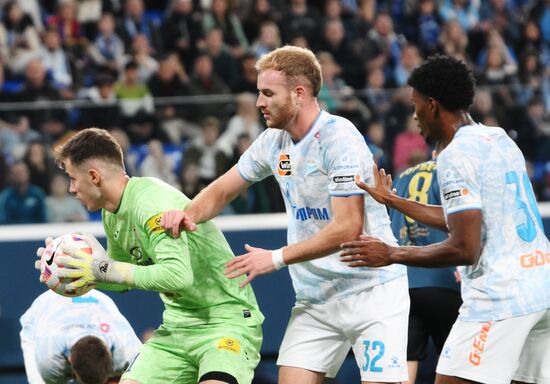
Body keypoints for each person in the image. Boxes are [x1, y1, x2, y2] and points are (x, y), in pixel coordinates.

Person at [161, 46, 409, 384]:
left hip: (371, 291)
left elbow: (347, 227)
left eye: (267, 93)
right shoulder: (271, 142)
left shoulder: (340, 139)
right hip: (316, 298)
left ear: (299, 94)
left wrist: (275, 259)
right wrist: (185, 215)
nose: (259, 103)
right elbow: (222, 190)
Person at [341, 55, 550, 384]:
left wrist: (391, 254)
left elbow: (465, 247)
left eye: (416, 105)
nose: (414, 115)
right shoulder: (498, 139)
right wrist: (396, 201)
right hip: (541, 286)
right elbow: (467, 220)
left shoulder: (454, 155)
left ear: (433, 105)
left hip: (501, 295)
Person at [39, 127, 264, 384]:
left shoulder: (151, 203)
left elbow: (177, 277)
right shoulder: (111, 212)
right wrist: (72, 271)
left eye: (72, 178)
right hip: (177, 327)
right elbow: (119, 277)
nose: (71, 189)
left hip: (226, 321)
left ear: (93, 176)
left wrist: (103, 269)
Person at [389, 157, 461, 384]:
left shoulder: (401, 176)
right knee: (456, 365)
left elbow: (391, 226)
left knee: (404, 364)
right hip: (444, 278)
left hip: (404, 282)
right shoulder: (452, 170)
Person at [20, 288, 142, 384]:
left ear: (110, 355)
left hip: (96, 299)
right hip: (41, 312)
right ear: (70, 360)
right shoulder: (48, 358)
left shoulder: (128, 349)